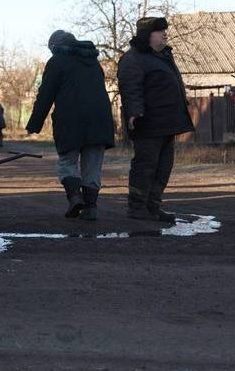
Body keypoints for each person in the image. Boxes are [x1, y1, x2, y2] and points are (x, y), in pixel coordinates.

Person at [26, 30, 115, 220]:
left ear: (55, 47)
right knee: (92, 166)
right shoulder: (94, 62)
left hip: (70, 122)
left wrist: (35, 124)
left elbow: (45, 94)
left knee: (67, 163)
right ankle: (90, 207)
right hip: (99, 121)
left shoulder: (57, 62)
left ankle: (75, 198)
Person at [117, 17, 194, 222]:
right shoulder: (133, 59)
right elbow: (130, 88)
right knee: (145, 165)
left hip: (167, 122)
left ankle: (153, 206)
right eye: (160, 31)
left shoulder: (164, 56)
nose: (164, 34)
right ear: (147, 35)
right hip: (147, 123)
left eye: (164, 31)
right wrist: (134, 113)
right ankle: (137, 207)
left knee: (164, 167)